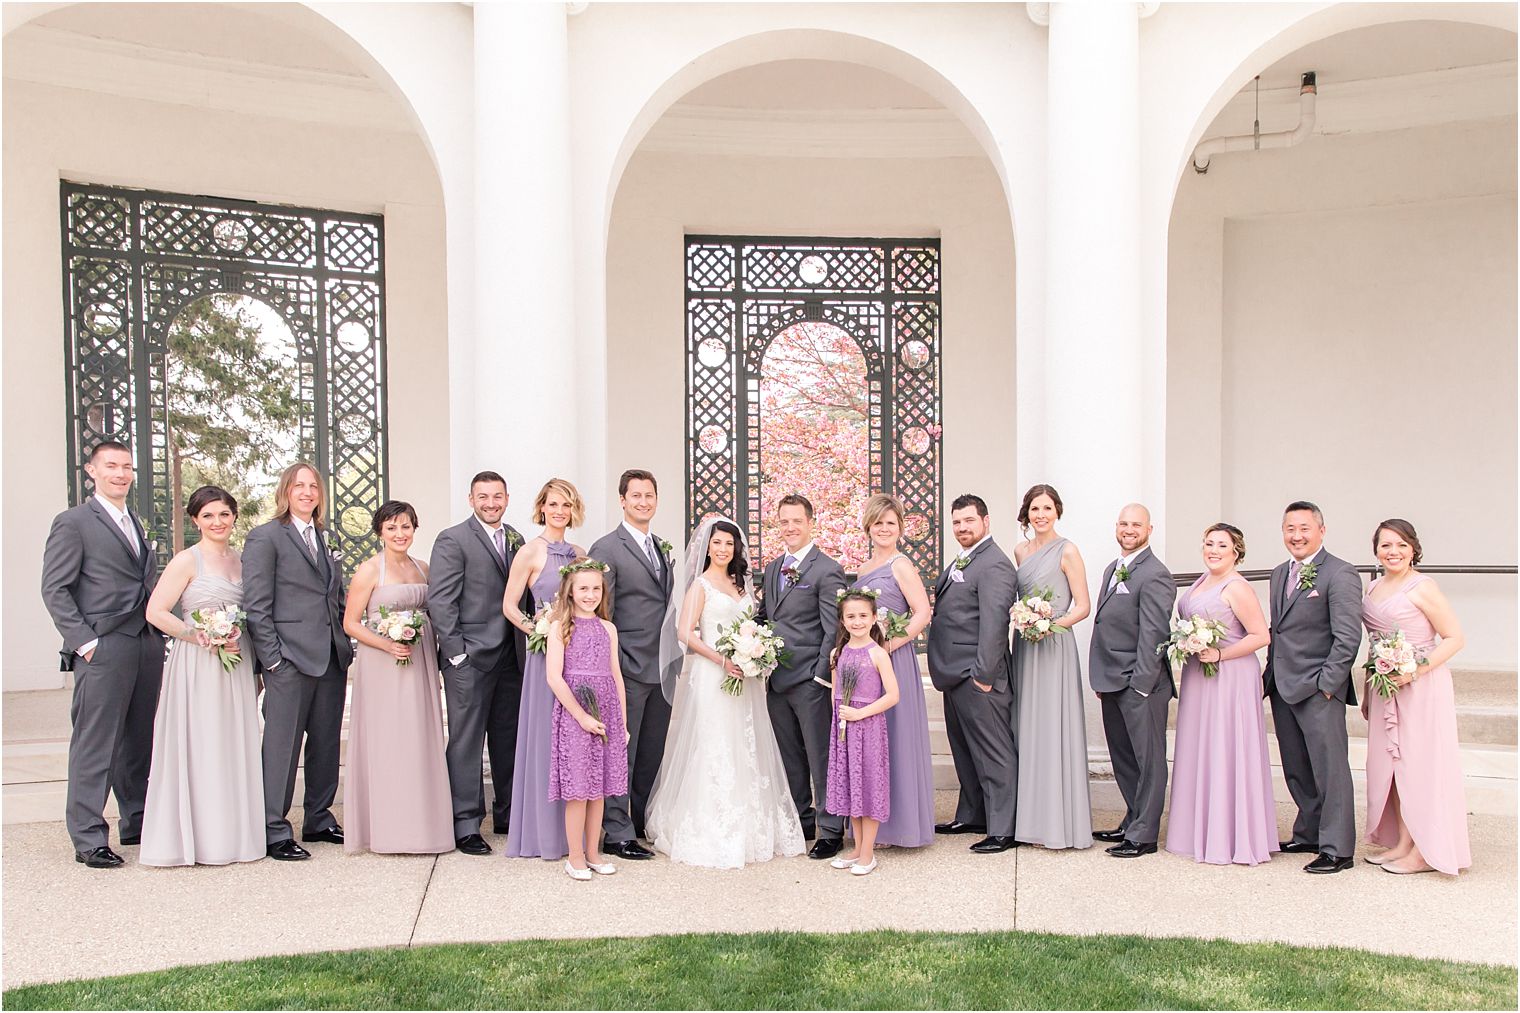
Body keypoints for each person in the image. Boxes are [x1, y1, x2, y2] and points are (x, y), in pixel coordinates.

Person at [646, 518, 806, 868]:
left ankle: (753, 824)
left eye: (729, 544)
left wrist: (755, 654)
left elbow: (754, 626)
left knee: (746, 742)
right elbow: (685, 633)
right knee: (716, 742)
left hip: (745, 678)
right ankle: (712, 824)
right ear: (707, 547)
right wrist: (723, 659)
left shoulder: (741, 586)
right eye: (717, 543)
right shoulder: (700, 586)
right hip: (712, 675)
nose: (722, 549)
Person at [41, 441, 164, 868]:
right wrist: (86, 643)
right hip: (103, 645)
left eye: (127, 466)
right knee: (96, 743)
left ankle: (136, 822)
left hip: (146, 644)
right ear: (91, 470)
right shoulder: (73, 522)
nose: (121, 473)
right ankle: (89, 837)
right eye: (111, 466)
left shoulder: (136, 521)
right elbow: (54, 588)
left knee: (138, 740)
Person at [139, 485, 263, 867]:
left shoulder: (244, 560)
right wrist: (199, 636)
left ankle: (234, 834)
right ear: (195, 520)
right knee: (203, 741)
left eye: (224, 514)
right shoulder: (186, 561)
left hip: (237, 660)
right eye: (208, 515)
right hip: (198, 662)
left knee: (232, 741)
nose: (217, 522)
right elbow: (156, 611)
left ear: (234, 517)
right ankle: (199, 837)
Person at [243, 462, 353, 861]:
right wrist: (272, 660)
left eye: (313, 486)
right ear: (285, 491)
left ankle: (319, 818)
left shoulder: (326, 537)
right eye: (299, 486)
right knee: (282, 747)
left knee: (325, 744)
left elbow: (335, 594)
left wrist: (344, 646)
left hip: (330, 657)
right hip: (287, 659)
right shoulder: (265, 538)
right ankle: (273, 828)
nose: (307, 492)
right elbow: (256, 606)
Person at [341, 501, 453, 856]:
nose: (400, 534)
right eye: (392, 528)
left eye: (406, 527)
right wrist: (388, 644)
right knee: (388, 739)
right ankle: (386, 828)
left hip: (418, 659)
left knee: (418, 738)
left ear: (414, 529)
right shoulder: (369, 570)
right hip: (383, 664)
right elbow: (351, 623)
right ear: (380, 532)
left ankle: (422, 825)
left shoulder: (424, 568)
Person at [1361, 519, 1471, 876]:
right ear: (1376, 550)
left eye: (1400, 545)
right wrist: (1368, 688)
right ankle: (1404, 842)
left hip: (1420, 685)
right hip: (1384, 686)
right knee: (1392, 765)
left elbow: (1454, 638)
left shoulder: (1423, 587)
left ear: (1413, 549)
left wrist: (1413, 670)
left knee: (1418, 765)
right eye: (1386, 545)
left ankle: (1425, 849)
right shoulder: (1374, 586)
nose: (1393, 552)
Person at [427, 471, 529, 855]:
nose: (491, 503)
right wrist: (456, 653)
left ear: (507, 498)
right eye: (483, 496)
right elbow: (441, 601)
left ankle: (507, 814)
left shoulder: (516, 539)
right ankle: (466, 823)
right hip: (469, 658)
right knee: (467, 742)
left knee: (508, 740)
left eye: (497, 496)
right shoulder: (453, 539)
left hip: (511, 659)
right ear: (470, 499)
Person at [1165, 523, 1277, 866]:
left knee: (1226, 747)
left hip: (1230, 676)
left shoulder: (1238, 587)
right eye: (1209, 543)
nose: (1213, 550)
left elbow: (1261, 636)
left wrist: (1220, 654)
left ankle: (1231, 835)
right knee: (1201, 746)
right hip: (1200, 674)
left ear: (1236, 552)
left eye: (1221, 545)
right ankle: (1196, 830)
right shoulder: (1202, 581)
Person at [1264, 501, 1363, 875]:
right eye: (1290, 528)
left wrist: (1327, 685)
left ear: (1321, 530)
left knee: (1330, 769)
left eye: (1304, 528)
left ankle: (1338, 848)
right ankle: (1309, 832)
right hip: (1283, 686)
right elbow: (1280, 630)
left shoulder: (1340, 574)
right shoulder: (1279, 573)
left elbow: (1348, 636)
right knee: (1296, 766)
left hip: (1319, 688)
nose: (1296, 536)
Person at [926, 493, 1019, 854]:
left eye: (969, 521)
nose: (962, 528)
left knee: (994, 752)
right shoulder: (963, 560)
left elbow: (995, 624)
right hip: (954, 673)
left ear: (986, 521)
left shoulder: (994, 564)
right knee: (964, 750)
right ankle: (974, 813)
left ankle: (1002, 828)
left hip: (978, 675)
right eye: (957, 522)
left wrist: (983, 674)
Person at [757, 494, 848, 860]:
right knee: (789, 758)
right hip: (775, 680)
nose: (790, 528)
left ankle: (830, 830)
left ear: (811, 522)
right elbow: (766, 616)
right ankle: (802, 820)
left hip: (810, 680)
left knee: (819, 756)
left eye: (796, 521)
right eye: (783, 522)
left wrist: (819, 677)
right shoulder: (772, 567)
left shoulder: (827, 569)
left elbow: (833, 629)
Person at [589, 469, 674, 862]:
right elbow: (600, 610)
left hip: (661, 669)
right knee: (622, 750)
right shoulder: (607, 547)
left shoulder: (660, 546)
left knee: (650, 753)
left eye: (649, 495)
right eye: (635, 495)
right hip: (626, 667)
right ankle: (616, 832)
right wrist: (614, 662)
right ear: (622, 500)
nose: (643, 501)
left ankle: (638, 822)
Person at [1089, 503, 1176, 859]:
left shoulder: (1155, 573)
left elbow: (1155, 633)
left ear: (1149, 529)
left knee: (1148, 759)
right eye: (1123, 523)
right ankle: (1132, 818)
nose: (1128, 529)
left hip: (1140, 684)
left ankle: (1144, 835)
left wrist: (1141, 683)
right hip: (1111, 679)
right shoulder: (1114, 567)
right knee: (1123, 757)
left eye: (1136, 524)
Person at [503, 478, 584, 859]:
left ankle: (572, 834)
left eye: (566, 505)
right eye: (553, 504)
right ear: (542, 507)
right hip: (543, 656)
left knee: (572, 739)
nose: (559, 511)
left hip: (575, 657)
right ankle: (540, 832)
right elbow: (509, 606)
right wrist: (536, 628)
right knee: (544, 737)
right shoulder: (529, 552)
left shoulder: (580, 555)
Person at [1011, 484, 1093, 850]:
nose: (1040, 515)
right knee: (1028, 725)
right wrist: (1026, 622)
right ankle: (1030, 821)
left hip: (1054, 643)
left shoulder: (1068, 550)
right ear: (1026, 513)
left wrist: (1049, 625)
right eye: (1034, 509)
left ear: (1057, 511)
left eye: (1046, 508)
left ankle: (1060, 823)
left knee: (1053, 725)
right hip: (1026, 646)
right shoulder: (1020, 550)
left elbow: (1083, 605)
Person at [851, 493, 935, 848]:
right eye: (878, 522)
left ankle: (900, 826)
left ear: (900, 528)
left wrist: (887, 647)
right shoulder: (864, 568)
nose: (884, 528)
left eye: (891, 523)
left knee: (895, 739)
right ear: (868, 527)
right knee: (872, 743)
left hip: (892, 660)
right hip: (864, 663)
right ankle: (875, 826)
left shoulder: (901, 565)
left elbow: (922, 612)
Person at [545, 558, 629, 881]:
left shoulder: (608, 629)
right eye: (583, 588)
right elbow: (554, 678)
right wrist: (580, 716)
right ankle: (575, 856)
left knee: (600, 788)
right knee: (580, 788)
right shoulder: (559, 628)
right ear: (570, 591)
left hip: (606, 711)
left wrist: (621, 723)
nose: (590, 594)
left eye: (596, 588)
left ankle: (594, 852)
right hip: (575, 714)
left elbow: (616, 676)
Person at [825, 589, 900, 876]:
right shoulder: (838, 653)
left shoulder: (878, 654)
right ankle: (856, 848)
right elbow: (836, 693)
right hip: (844, 730)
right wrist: (842, 720)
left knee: (868, 786)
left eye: (862, 616)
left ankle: (868, 853)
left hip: (868, 728)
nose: (857, 622)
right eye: (850, 616)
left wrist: (860, 713)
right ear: (842, 621)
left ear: (873, 618)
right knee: (851, 788)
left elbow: (893, 695)